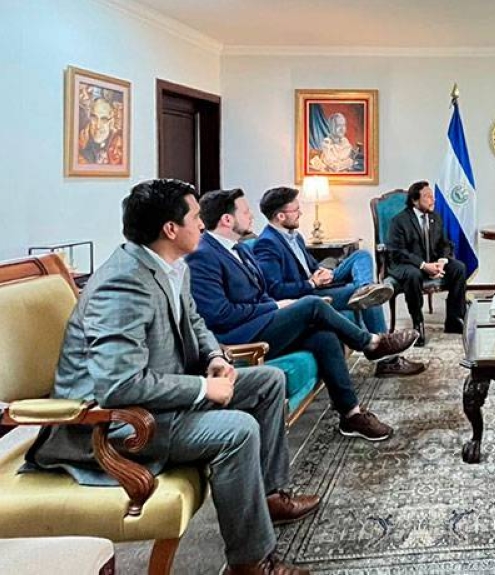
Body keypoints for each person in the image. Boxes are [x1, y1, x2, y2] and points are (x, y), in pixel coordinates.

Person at [24, 179, 317, 574]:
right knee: (239, 430)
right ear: (170, 229)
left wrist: (214, 357)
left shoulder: (172, 265)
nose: (203, 225)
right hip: (117, 423)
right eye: (195, 217)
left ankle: (269, 498)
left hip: (160, 398)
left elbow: (194, 321)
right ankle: (251, 562)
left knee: (268, 381)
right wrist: (203, 388)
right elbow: (118, 386)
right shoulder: (122, 284)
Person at [187, 188, 419, 441]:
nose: (252, 215)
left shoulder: (240, 249)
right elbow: (219, 315)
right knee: (312, 304)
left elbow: (262, 292)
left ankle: (351, 415)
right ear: (227, 219)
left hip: (261, 321)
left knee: (324, 336)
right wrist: (277, 306)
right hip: (240, 336)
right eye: (245, 211)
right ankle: (372, 343)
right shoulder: (203, 256)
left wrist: (278, 304)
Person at [253, 186, 422, 377]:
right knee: (371, 297)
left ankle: (365, 289)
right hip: (307, 293)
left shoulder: (295, 236)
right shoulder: (267, 244)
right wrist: (312, 283)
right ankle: (388, 361)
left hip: (318, 282)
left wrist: (322, 271)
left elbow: (310, 264)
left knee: (361, 255)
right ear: (280, 216)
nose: (300, 213)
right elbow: (275, 290)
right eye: (296, 210)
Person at [386, 180, 468, 346]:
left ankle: (454, 320)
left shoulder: (435, 217)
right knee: (414, 274)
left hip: (432, 263)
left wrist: (442, 261)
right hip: (404, 265)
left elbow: (445, 243)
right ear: (415, 200)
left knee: (459, 268)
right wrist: (424, 265)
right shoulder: (399, 221)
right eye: (428, 196)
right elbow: (398, 252)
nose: (433, 200)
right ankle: (418, 324)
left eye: (433, 196)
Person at [78, 97, 124, 165]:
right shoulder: (81, 141)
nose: (98, 126)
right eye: (94, 117)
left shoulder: (116, 141)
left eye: (104, 119)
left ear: (111, 122)